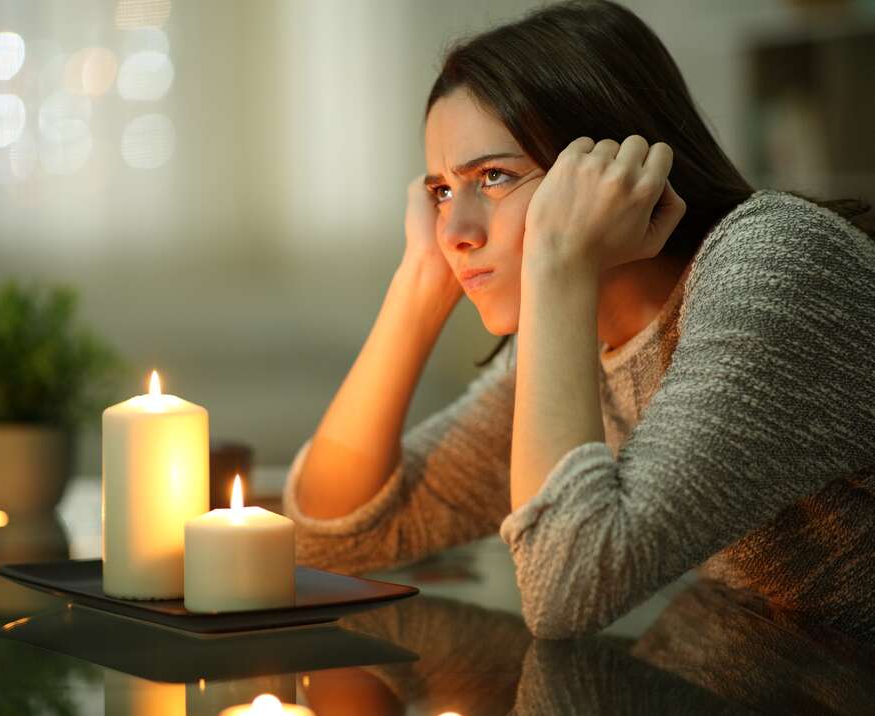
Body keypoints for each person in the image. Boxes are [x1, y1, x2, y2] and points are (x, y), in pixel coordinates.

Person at [281, 0, 875, 640]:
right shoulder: (580, 334)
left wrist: (558, 263)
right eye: (442, 192)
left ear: (617, 171)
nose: (455, 229)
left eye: (495, 176)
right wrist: (420, 281)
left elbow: (566, 593)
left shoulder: (776, 263)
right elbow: (334, 539)